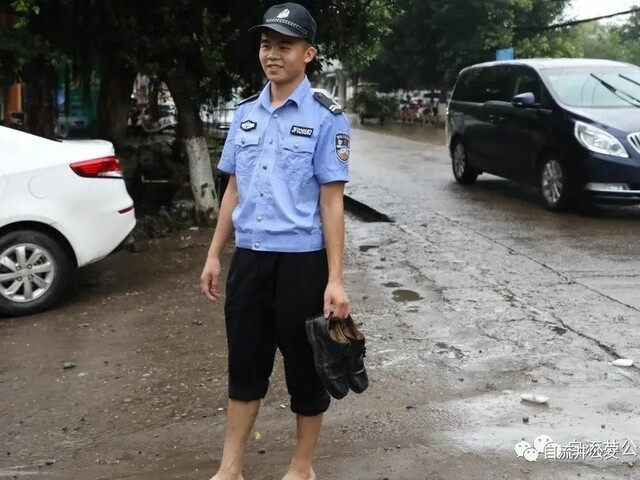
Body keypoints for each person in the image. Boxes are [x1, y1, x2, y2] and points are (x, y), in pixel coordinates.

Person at [199, 3, 351, 480]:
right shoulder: (245, 113)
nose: (272, 54)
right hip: (250, 260)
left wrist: (335, 279)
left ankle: (302, 467)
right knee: (244, 364)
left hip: (302, 265)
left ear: (308, 54)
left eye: (285, 45)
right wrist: (214, 254)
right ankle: (230, 468)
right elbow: (234, 189)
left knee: (306, 367)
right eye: (266, 45)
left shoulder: (327, 118)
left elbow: (332, 202)